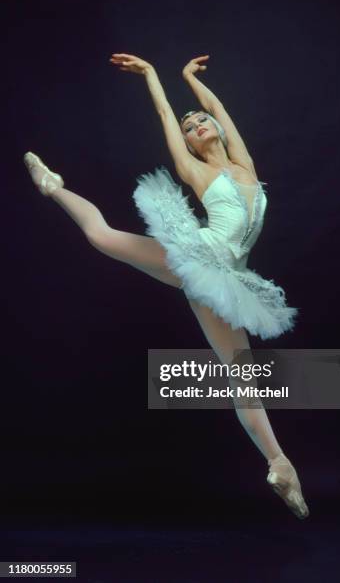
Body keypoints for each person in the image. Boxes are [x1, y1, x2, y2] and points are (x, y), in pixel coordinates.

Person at [23, 53, 309, 519]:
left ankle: (280, 465)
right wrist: (155, 76)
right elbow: (165, 117)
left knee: (243, 379)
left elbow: (219, 110)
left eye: (201, 120)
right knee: (102, 236)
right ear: (189, 146)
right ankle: (54, 187)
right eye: (190, 127)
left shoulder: (246, 167)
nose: (197, 125)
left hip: (226, 282)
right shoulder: (198, 171)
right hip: (199, 256)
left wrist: (190, 79)